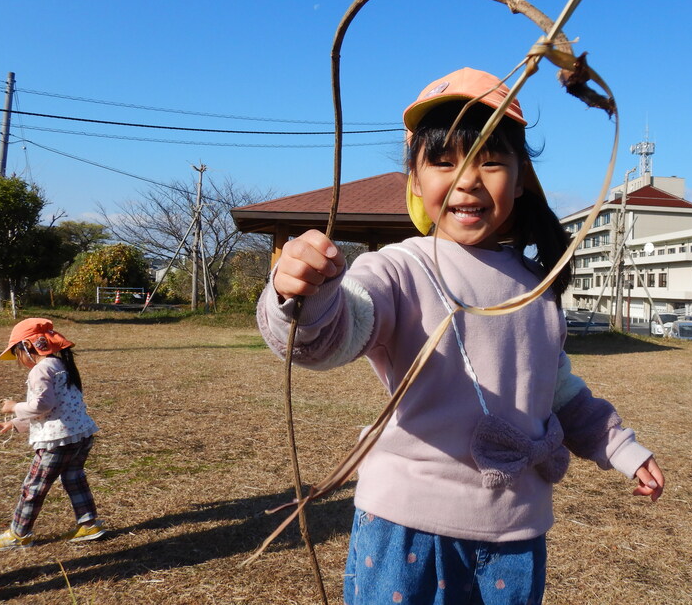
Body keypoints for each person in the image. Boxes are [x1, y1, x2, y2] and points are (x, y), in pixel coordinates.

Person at [258, 67, 664, 604]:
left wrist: (621, 447)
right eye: (443, 161)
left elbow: (558, 391)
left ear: (521, 180)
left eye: (490, 160)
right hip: (409, 527)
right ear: (415, 181)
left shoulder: (535, 285)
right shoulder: (398, 268)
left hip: (517, 534)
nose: (468, 179)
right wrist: (302, 298)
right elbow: (337, 332)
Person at [0, 318, 105, 551]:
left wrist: (13, 407)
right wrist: (16, 424)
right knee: (74, 478)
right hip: (80, 435)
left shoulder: (40, 370)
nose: (18, 360)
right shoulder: (61, 365)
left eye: (17, 352)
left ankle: (19, 534)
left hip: (56, 443)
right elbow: (58, 409)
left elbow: (42, 406)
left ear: (28, 347)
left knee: (34, 487)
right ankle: (89, 524)